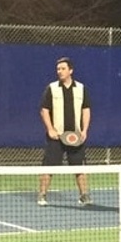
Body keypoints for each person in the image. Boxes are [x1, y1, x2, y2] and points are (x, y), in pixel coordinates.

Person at [37, 56, 92, 206]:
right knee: (49, 166)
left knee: (79, 167)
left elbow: (86, 110)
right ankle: (42, 195)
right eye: (58, 69)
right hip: (56, 137)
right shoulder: (52, 88)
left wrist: (84, 130)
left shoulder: (81, 88)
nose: (59, 71)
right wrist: (50, 129)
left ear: (70, 70)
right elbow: (44, 110)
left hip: (75, 137)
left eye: (63, 69)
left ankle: (84, 195)